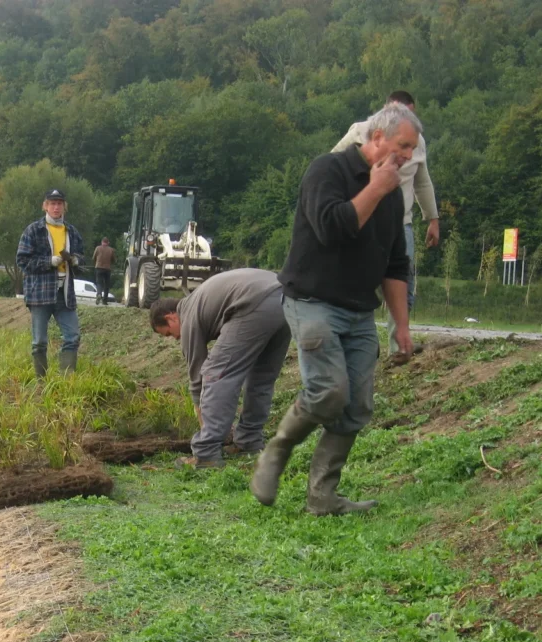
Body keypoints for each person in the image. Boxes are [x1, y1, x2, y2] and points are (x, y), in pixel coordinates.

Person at [250, 102, 418, 516]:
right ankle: (278, 449)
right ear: (377, 138)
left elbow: (396, 265)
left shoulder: (394, 197)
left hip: (360, 311)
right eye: (403, 145)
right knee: (328, 394)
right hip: (312, 302)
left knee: (357, 406)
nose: (409, 156)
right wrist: (375, 188)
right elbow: (332, 227)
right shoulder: (327, 171)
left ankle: (322, 497)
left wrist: (402, 325)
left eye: (413, 149)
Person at [150, 269, 291, 469]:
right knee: (261, 378)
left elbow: (198, 377)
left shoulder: (188, 315)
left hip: (255, 301)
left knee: (217, 373)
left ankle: (206, 454)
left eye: (169, 334)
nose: (175, 338)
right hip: (288, 299)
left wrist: (201, 415)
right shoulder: (200, 301)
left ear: (171, 318)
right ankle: (249, 441)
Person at [333, 90, 439, 355]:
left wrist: (432, 218)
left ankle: (398, 346)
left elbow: (422, 182)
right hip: (360, 216)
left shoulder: (418, 143)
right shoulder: (360, 131)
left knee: (402, 282)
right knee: (356, 280)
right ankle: (353, 343)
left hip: (399, 223)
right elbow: (332, 164)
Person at [16, 189, 85, 377]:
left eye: (59, 203)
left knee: (72, 337)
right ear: (45, 206)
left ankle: (66, 380)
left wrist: (77, 261)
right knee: (39, 341)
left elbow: (81, 258)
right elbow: (23, 261)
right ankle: (41, 383)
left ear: (64, 207)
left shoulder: (71, 232)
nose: (56, 207)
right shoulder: (33, 230)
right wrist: (49, 262)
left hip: (65, 293)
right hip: (40, 293)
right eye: (52, 203)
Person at [92, 237, 115, 305]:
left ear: (102, 242)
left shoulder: (98, 248)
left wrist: (96, 263)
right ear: (108, 243)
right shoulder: (111, 250)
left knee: (99, 283)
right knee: (106, 285)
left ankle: (99, 294)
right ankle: (105, 301)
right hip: (107, 269)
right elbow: (113, 260)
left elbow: (93, 257)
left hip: (98, 267)